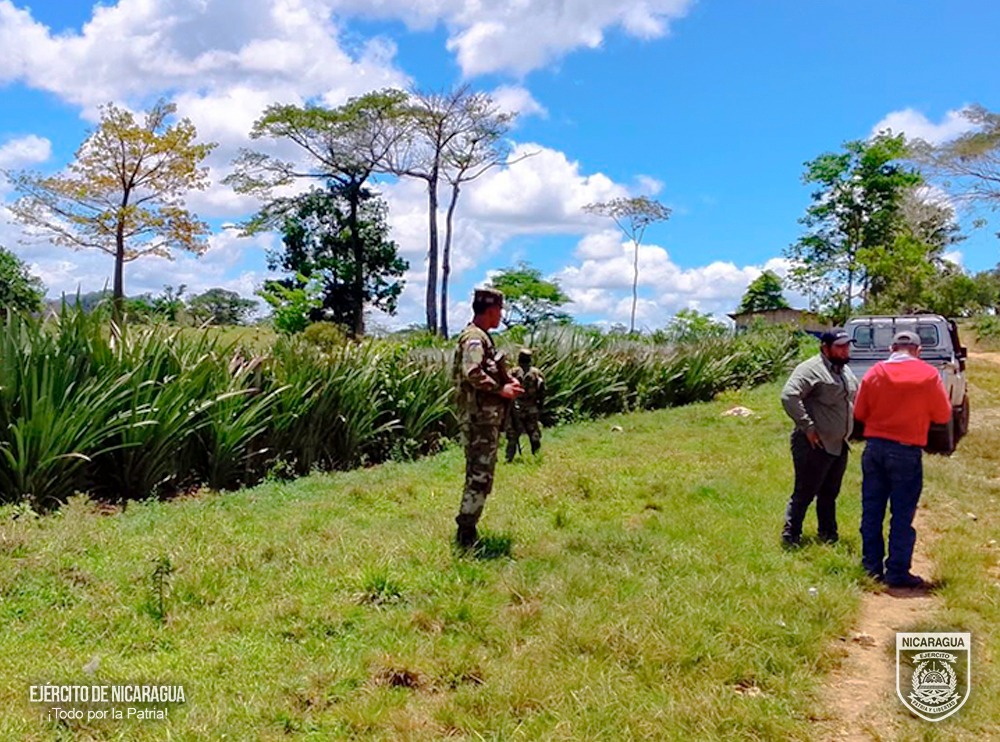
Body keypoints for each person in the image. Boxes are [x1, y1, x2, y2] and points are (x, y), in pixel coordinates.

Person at [854, 330, 952, 587]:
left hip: (874, 448)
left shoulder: (874, 372)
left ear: (892, 349)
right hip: (906, 450)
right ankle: (897, 571)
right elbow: (943, 415)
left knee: (872, 509)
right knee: (902, 513)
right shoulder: (928, 375)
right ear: (918, 351)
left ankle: (871, 567)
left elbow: (859, 411)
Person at [453, 288, 523, 548]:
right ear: (491, 309)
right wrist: (500, 389)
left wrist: (508, 381)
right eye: (500, 310)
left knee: (481, 474)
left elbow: (484, 370)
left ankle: (468, 529)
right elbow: (472, 371)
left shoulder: (483, 338)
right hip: (479, 419)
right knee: (479, 476)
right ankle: (466, 534)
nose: (501, 315)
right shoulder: (474, 338)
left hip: (485, 419)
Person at [779, 329, 858, 546]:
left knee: (830, 493)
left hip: (838, 443)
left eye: (847, 346)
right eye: (840, 346)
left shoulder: (844, 370)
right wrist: (808, 427)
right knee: (804, 492)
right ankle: (791, 536)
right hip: (814, 443)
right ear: (825, 348)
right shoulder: (811, 369)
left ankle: (828, 535)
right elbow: (789, 395)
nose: (845, 350)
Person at [505, 348, 546, 462]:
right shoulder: (537, 373)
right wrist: (540, 406)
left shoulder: (513, 372)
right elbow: (542, 391)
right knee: (534, 433)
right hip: (531, 408)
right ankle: (537, 456)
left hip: (515, 408)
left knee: (513, 435)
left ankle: (509, 458)